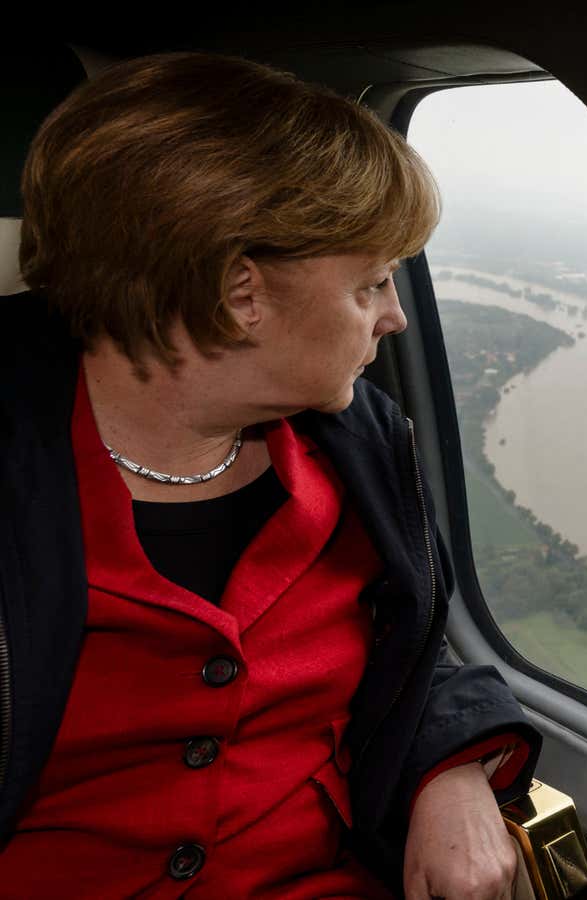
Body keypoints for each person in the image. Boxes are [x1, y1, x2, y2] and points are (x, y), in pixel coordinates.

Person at [0, 52, 541, 898]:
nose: (395, 317)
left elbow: (406, 648)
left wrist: (453, 769)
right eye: (370, 284)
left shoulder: (363, 454)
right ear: (236, 293)